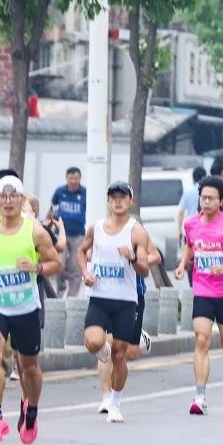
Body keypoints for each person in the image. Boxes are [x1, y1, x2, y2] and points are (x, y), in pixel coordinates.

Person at [0, 171, 62, 444]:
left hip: (25, 308)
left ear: (22, 199)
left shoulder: (34, 230)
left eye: (13, 196)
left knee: (29, 368)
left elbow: (56, 263)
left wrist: (36, 267)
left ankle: (32, 411)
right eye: (2, 196)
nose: (7, 201)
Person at [173, 176, 223, 415]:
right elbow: (190, 245)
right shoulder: (191, 223)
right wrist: (182, 265)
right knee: (201, 339)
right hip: (203, 290)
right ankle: (200, 397)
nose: (206, 202)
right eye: (203, 197)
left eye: (211, 198)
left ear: (221, 201)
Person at [78, 181, 152, 423]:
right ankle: (103, 351)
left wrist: (131, 257)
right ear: (108, 201)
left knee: (120, 355)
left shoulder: (136, 231)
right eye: (113, 197)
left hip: (125, 301)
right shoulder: (97, 228)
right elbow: (82, 251)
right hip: (99, 298)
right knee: (93, 342)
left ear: (130, 201)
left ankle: (115, 402)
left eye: (122, 197)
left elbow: (144, 270)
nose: (118, 201)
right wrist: (85, 273)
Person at [49, 166, 87, 297]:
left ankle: (72, 297)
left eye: (75, 178)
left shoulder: (85, 193)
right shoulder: (60, 192)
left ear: (79, 179)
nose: (73, 181)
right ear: (67, 179)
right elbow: (52, 209)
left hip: (78, 235)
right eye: (70, 178)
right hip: (61, 234)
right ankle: (60, 289)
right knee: (59, 264)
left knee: (76, 267)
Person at [175, 166, 207, 247]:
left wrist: (179, 230)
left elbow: (180, 212)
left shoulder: (188, 193)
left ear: (193, 178)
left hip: (191, 230)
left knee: (189, 255)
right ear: (206, 177)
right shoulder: (210, 192)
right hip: (206, 230)